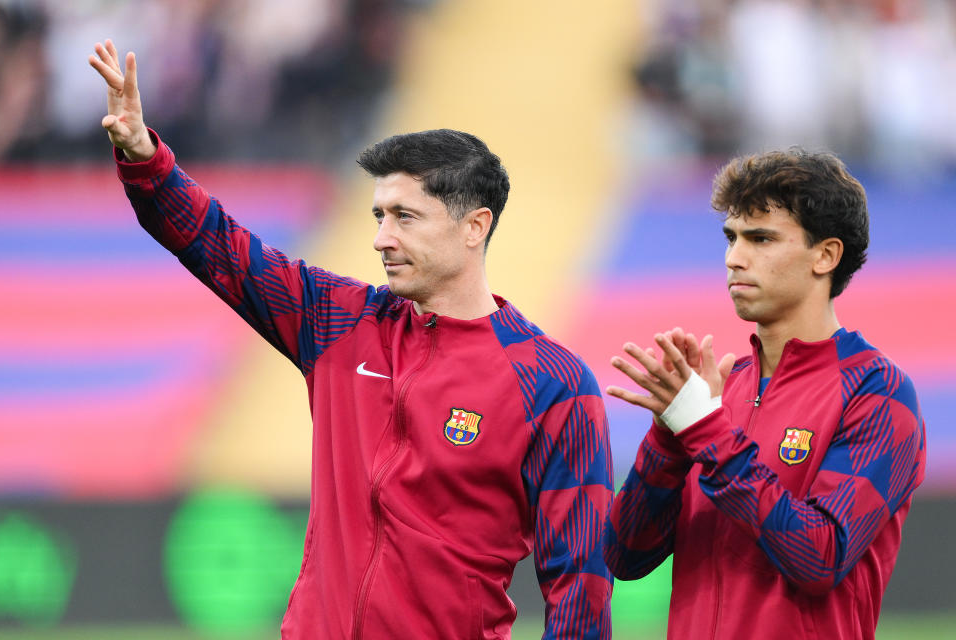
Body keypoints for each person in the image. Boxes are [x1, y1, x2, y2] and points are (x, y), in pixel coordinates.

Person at [89, 40, 614, 639]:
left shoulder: (553, 384)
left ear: (475, 227)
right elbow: (219, 249)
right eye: (378, 216)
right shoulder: (339, 320)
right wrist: (144, 157)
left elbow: (581, 586)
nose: (381, 239)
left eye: (405, 217)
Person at [601, 148, 926, 639]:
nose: (735, 258)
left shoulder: (879, 393)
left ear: (826, 254)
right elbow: (624, 555)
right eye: (731, 238)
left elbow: (819, 557)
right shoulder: (718, 392)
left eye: (761, 239)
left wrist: (705, 431)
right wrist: (670, 438)